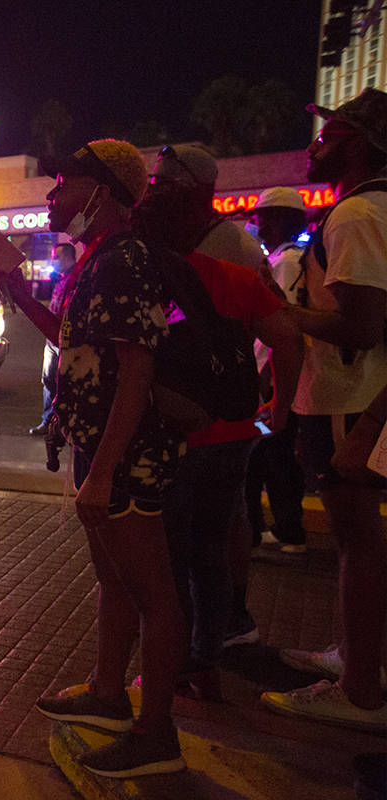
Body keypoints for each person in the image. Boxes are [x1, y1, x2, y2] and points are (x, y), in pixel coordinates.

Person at [4, 140, 187, 778]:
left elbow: (136, 369)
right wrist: (20, 298)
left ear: (101, 191)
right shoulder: (97, 259)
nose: (52, 197)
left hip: (127, 456)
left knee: (154, 591)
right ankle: (109, 697)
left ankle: (157, 733)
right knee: (114, 579)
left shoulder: (124, 258)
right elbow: (78, 343)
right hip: (99, 449)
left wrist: (105, 471)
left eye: (63, 184)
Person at [134, 185, 303, 700]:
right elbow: (289, 337)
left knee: (171, 560)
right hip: (234, 432)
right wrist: (281, 406)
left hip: (176, 438)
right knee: (212, 550)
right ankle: (209, 660)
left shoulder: (152, 283)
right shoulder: (236, 277)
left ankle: (177, 664)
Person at [260, 88, 387, 731]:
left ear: (359, 145)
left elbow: (361, 326)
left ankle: (362, 690)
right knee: (359, 544)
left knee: (358, 545)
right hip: (356, 399)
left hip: (350, 400)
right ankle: (359, 657)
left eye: (328, 136)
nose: (315, 147)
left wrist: (284, 313)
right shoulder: (368, 210)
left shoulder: (357, 215)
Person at [243, 187, 310, 554]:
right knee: (274, 454)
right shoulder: (294, 258)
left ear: (282, 219)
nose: (259, 227)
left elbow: (279, 324)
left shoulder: (284, 263)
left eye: (264, 219)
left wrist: (268, 382)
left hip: (270, 382)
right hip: (276, 380)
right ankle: (284, 528)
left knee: (263, 454)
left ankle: (277, 529)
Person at [140, 144, 275, 284]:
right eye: (155, 184)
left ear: (202, 191)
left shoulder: (242, 249)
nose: (156, 195)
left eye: (168, 186)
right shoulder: (161, 241)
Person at [30, 242, 76, 436]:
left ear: (67, 257)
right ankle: (49, 421)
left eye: (56, 256)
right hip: (52, 340)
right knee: (48, 380)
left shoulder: (77, 278)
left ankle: (64, 424)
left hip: (65, 341)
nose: (53, 261)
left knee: (64, 383)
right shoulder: (61, 278)